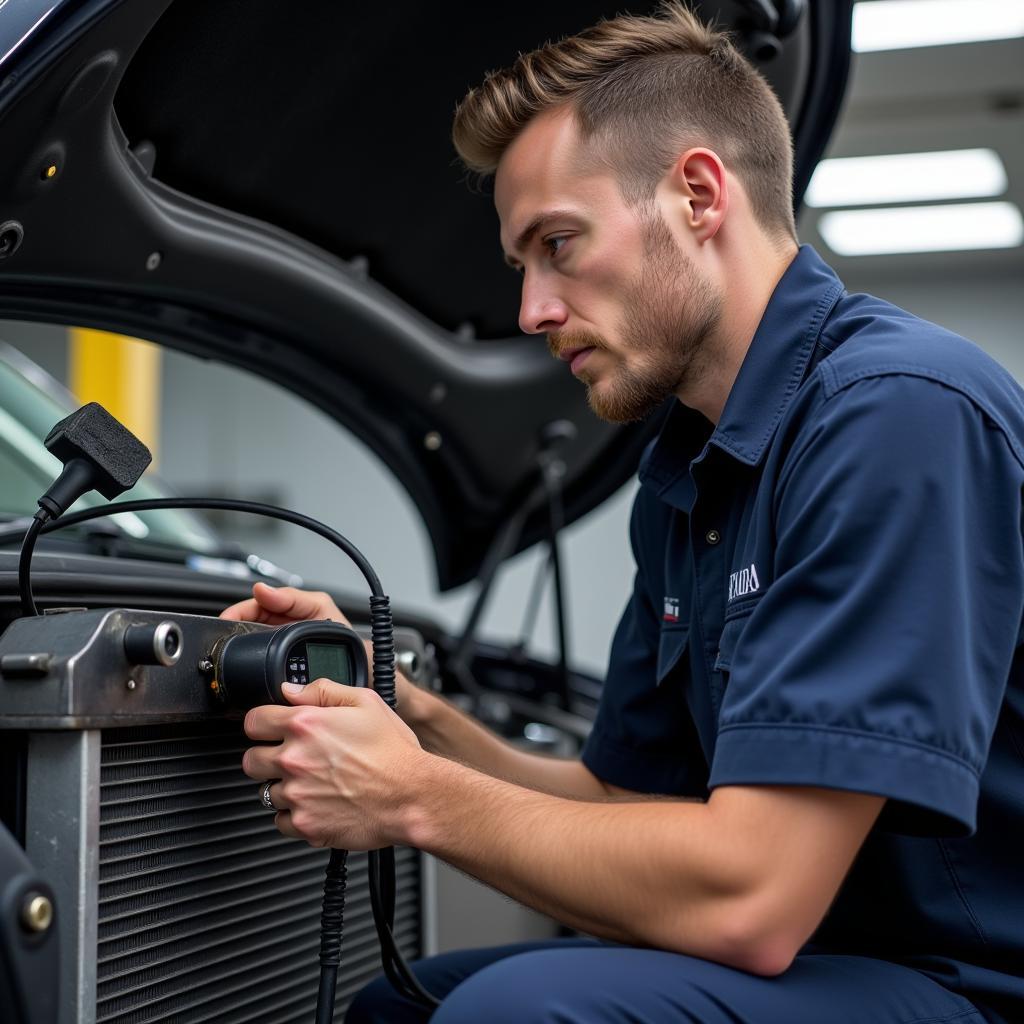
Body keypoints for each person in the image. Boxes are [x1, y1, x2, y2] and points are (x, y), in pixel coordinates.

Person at [222, 5, 1024, 1022]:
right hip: (828, 959)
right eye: (522, 266)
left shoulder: (898, 414)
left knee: (518, 1013)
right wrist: (409, 721)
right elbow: (616, 806)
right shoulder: (687, 465)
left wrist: (410, 798)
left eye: (558, 244)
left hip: (966, 984)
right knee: (403, 1007)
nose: (531, 311)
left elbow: (753, 897)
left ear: (696, 194)